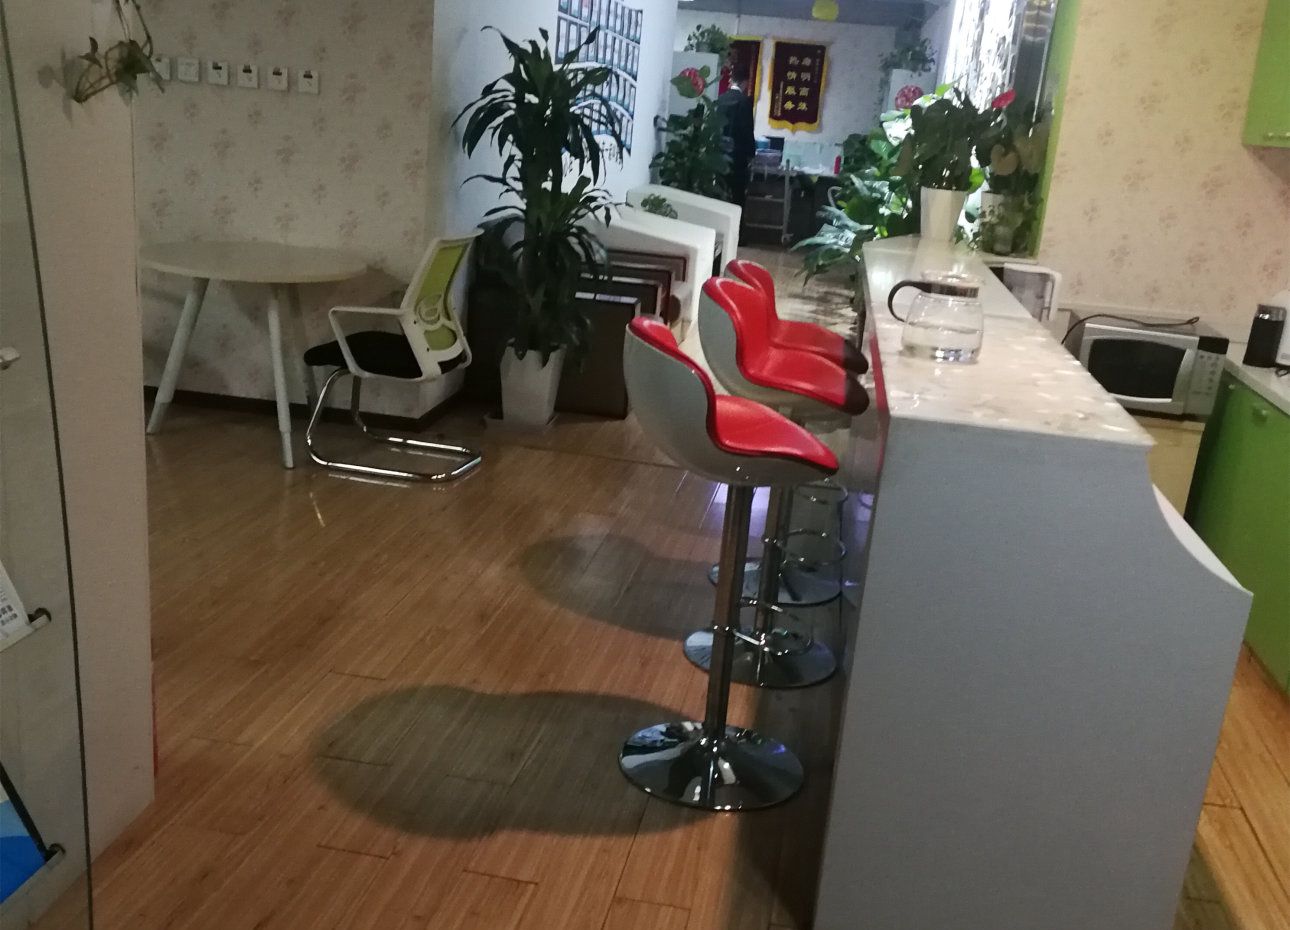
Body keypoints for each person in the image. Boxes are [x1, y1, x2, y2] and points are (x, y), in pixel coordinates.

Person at [716, 62, 756, 208]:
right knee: (737, 198)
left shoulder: (720, 99)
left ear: (731, 79)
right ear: (746, 82)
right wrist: (751, 153)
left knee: (719, 194)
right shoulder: (744, 102)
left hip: (719, 156)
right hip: (738, 159)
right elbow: (747, 131)